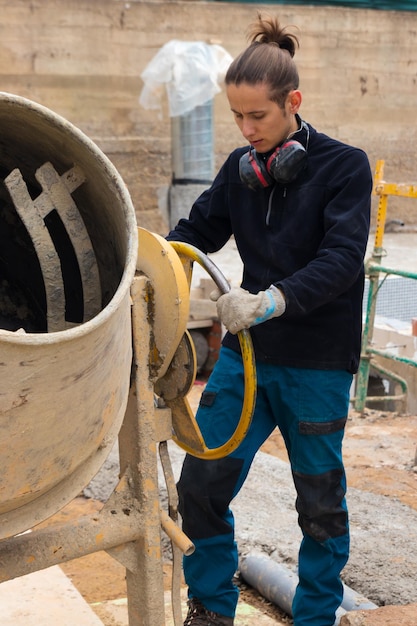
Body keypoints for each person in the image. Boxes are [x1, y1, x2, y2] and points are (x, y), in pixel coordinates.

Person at [166, 12, 372, 626]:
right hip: (247, 357)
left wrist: (271, 298)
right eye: (237, 116)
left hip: (316, 362)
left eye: (258, 116)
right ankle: (210, 607)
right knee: (201, 485)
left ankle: (314, 617)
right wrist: (154, 268)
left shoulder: (344, 167)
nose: (246, 128)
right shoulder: (240, 171)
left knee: (319, 506)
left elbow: (340, 259)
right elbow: (192, 234)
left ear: (294, 103)